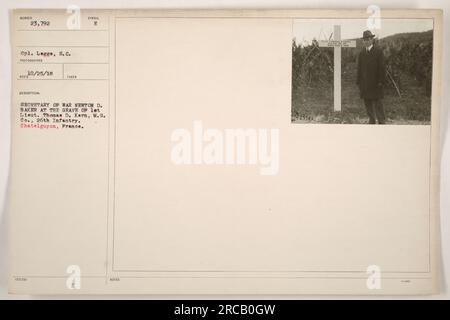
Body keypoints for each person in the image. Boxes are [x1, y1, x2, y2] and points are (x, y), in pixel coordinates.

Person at [356, 30, 387, 124]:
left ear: (372, 40)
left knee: (378, 103)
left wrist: (381, 81)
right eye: (364, 40)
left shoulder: (378, 51)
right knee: (367, 102)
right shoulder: (362, 53)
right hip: (365, 83)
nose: (366, 41)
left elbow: (382, 67)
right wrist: (358, 81)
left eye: (368, 39)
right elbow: (359, 68)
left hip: (376, 83)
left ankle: (381, 121)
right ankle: (372, 120)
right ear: (363, 41)